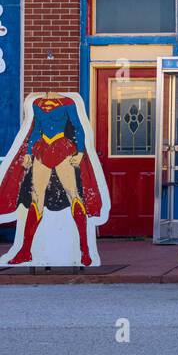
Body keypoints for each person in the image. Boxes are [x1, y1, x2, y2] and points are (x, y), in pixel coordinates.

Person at [0, 95, 103, 266]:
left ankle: (85, 250)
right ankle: (25, 251)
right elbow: (35, 129)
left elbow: (78, 127)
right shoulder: (36, 103)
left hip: (62, 147)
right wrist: (28, 152)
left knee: (73, 195)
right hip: (42, 148)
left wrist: (80, 152)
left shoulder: (68, 103)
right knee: (36, 197)